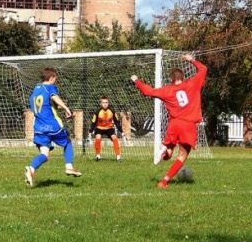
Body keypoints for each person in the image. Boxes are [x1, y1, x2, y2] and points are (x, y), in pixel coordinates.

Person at [130, 54, 207, 188]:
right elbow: (203, 69)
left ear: (171, 79)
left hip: (174, 124)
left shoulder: (167, 90)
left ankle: (164, 151)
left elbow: (148, 91)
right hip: (188, 125)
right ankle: (164, 181)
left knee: (169, 154)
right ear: (183, 77)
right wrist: (191, 60)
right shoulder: (192, 84)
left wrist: (137, 81)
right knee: (182, 156)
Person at [24, 67, 82, 188]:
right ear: (51, 78)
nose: (55, 82)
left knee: (44, 154)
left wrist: (56, 106)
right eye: (55, 79)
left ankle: (31, 169)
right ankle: (69, 167)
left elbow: (45, 103)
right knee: (67, 141)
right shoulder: (49, 87)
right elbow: (53, 96)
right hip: (51, 125)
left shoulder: (35, 90)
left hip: (39, 127)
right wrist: (66, 108)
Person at [88, 96, 124, 162]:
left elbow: (117, 122)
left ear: (108, 103)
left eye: (106, 102)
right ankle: (98, 156)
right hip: (99, 128)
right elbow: (93, 122)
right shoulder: (97, 112)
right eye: (103, 102)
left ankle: (118, 157)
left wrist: (121, 131)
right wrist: (90, 132)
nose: (105, 104)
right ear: (100, 104)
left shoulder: (112, 111)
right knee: (98, 138)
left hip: (109, 128)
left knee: (115, 138)